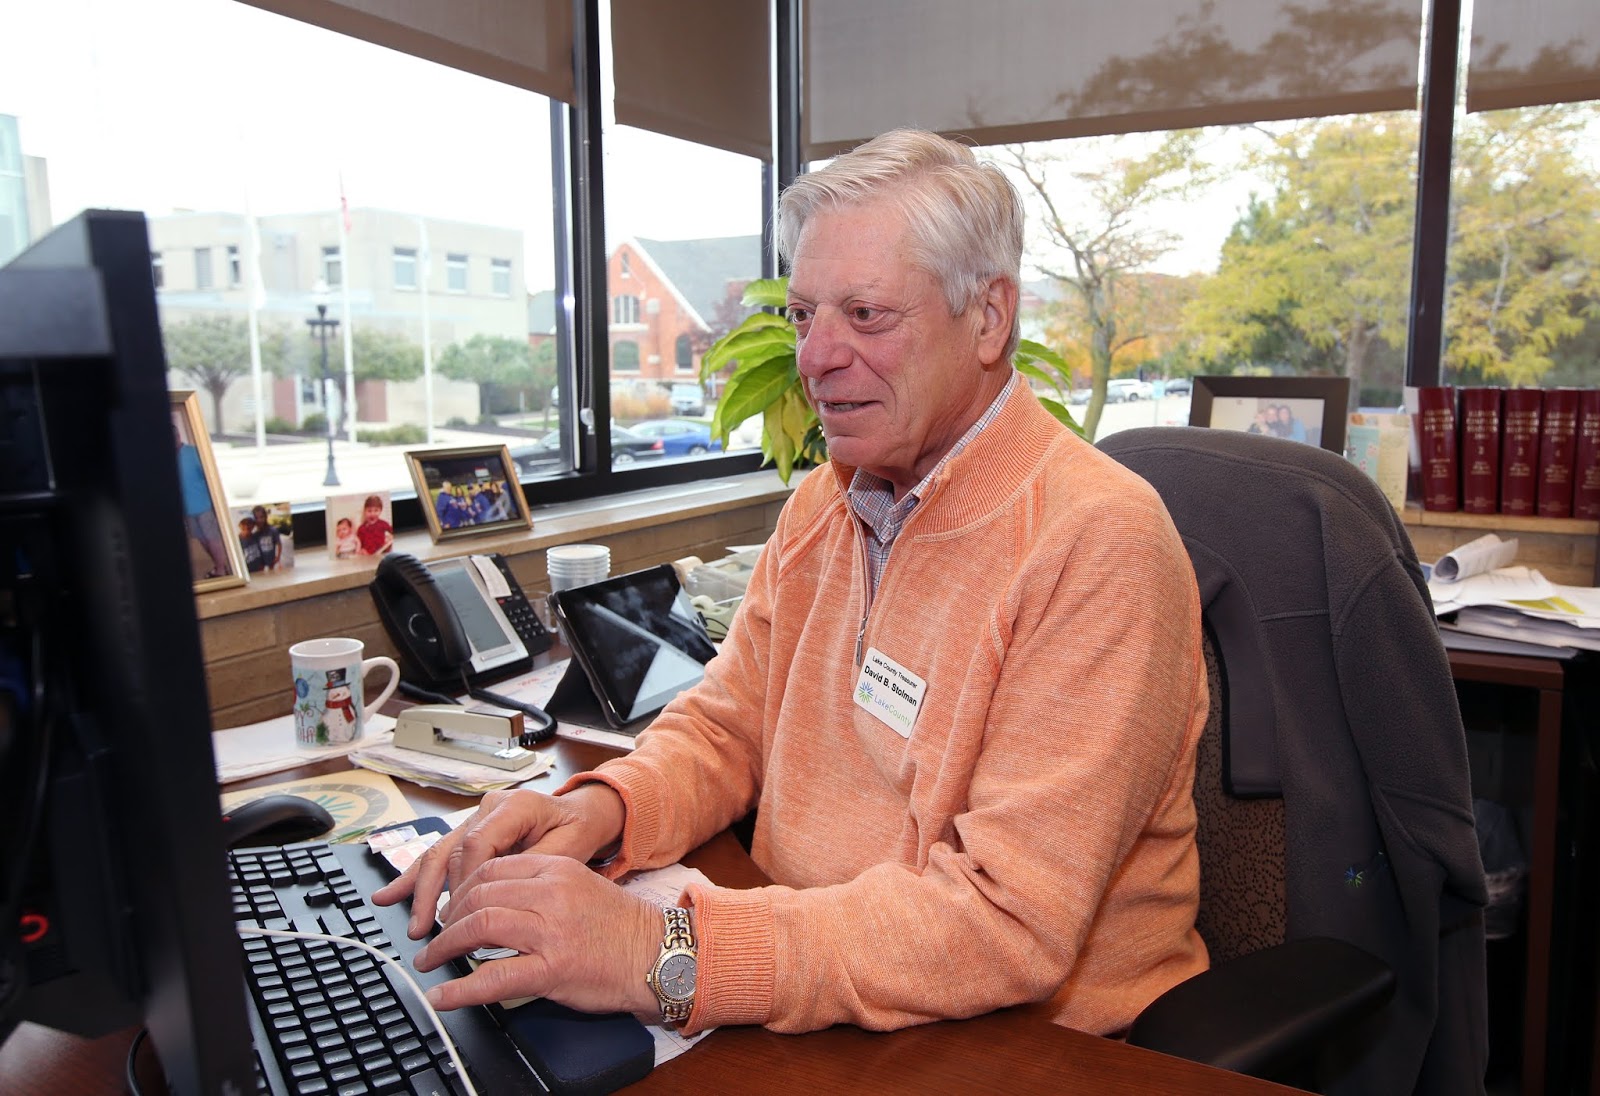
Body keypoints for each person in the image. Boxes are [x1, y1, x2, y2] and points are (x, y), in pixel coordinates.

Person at [375, 128, 1209, 1040]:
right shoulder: (826, 501)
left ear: (989, 318)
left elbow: (1003, 924)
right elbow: (730, 725)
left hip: (1021, 1043)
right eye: (806, 315)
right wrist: (603, 810)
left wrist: (660, 955)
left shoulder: (1098, 540)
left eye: (866, 314)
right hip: (820, 981)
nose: (815, 357)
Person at [175, 416, 230, 580]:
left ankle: (221, 569)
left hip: (204, 505)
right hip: (187, 509)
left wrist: (216, 502)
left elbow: (211, 477)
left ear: (178, 437)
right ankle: (219, 566)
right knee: (201, 538)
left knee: (211, 537)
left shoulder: (194, 452)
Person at [249, 504, 283, 571]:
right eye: (256, 518)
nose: (259, 520)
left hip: (272, 559)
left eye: (262, 517)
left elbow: (279, 544)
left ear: (266, 517)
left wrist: (278, 556)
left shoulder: (273, 530)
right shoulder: (255, 534)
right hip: (261, 561)